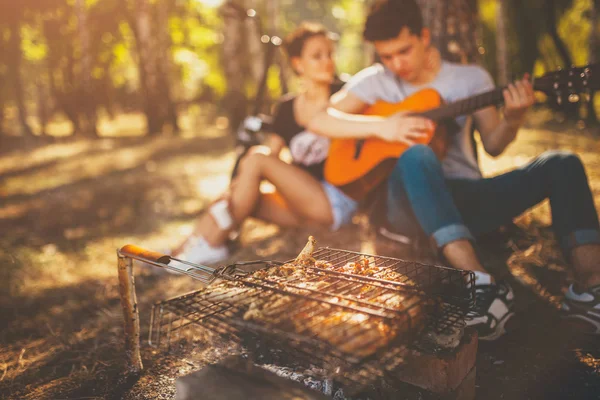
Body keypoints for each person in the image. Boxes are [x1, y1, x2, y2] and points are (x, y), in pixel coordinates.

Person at [308, 0, 600, 339]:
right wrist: (381, 128)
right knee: (417, 155)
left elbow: (493, 144)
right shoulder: (375, 82)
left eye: (403, 51)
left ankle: (589, 289)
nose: (396, 64)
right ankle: (481, 284)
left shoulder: (471, 78)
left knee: (563, 164)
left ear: (425, 36)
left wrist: (514, 118)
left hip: (465, 197)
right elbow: (319, 119)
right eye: (386, 56)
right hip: (404, 209)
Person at [170, 22, 358, 265]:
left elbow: (263, 160)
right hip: (301, 205)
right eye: (317, 56)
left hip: (334, 202)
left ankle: (210, 246)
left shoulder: (347, 95)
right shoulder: (286, 107)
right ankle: (181, 252)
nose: (327, 61)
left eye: (330, 54)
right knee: (240, 193)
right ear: (297, 63)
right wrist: (237, 186)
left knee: (256, 158)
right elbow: (273, 155)